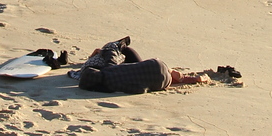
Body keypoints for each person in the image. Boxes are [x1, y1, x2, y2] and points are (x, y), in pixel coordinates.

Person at [76, 37, 217, 94]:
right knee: (163, 70)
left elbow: (138, 89)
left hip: (158, 81)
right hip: (156, 65)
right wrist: (102, 52)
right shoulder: (109, 69)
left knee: (169, 78)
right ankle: (191, 78)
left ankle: (190, 79)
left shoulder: (110, 87)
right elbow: (111, 56)